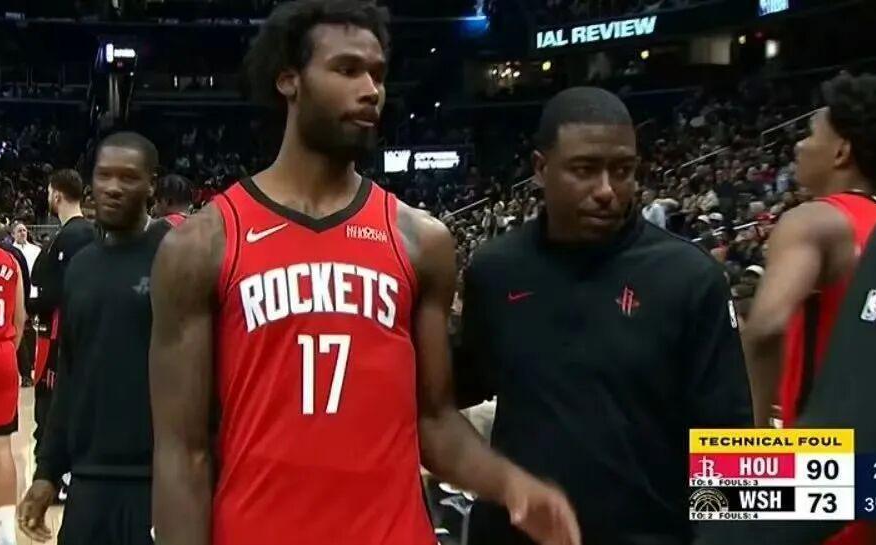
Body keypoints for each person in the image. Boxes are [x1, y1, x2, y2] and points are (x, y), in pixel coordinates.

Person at [149, 2, 580, 545]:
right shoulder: (203, 244)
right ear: (289, 79)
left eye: (378, 73)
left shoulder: (421, 240)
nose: (371, 90)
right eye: (348, 69)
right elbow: (181, 452)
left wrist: (511, 485)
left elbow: (434, 420)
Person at [454, 86, 751, 545]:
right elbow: (457, 386)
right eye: (585, 170)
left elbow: (729, 441)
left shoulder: (691, 277)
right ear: (540, 169)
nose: (607, 191)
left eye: (623, 170)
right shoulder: (495, 271)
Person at [697, 95, 876, 545]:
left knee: (702, 507)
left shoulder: (813, 219)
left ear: (841, 152)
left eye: (810, 134)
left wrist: (754, 448)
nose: (798, 146)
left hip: (819, 470)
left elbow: (766, 327)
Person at [18, 132, 169, 545]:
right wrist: (48, 470)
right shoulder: (82, 267)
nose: (114, 187)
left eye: (128, 177)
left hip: (155, 482)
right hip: (88, 481)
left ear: (151, 184)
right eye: (104, 176)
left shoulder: (173, 255)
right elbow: (70, 372)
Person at [28, 169, 94, 452]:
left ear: (56, 194)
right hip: (73, 335)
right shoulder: (83, 233)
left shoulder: (74, 236)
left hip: (61, 337)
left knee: (51, 413)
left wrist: (30, 305)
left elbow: (57, 291)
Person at [0, 239, 26, 545]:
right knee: (2, 446)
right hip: (3, 352)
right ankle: (4, 533)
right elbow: (21, 317)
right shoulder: (10, 260)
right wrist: (7, 350)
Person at [9, 223, 37, 387]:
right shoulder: (11, 252)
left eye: (24, 230)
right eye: (19, 231)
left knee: (29, 330)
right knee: (20, 329)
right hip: (18, 294)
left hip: (33, 293)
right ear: (13, 234)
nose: (22, 233)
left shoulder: (35, 250)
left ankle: (30, 365)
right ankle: (25, 372)